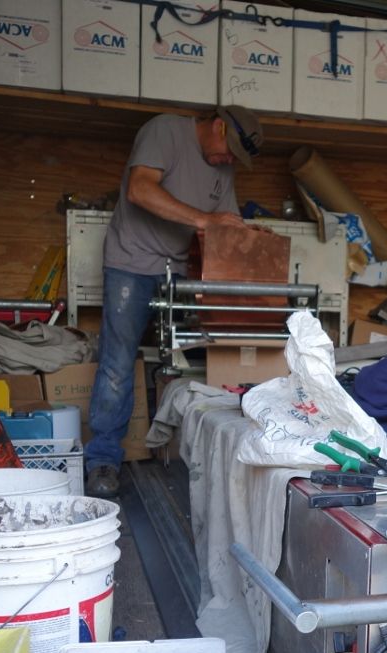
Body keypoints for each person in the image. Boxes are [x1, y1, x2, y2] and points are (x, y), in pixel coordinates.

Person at [84, 106, 265, 498]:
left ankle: (194, 456)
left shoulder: (224, 164)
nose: (228, 160)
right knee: (117, 361)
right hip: (131, 260)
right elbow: (140, 188)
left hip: (181, 266)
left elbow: (226, 220)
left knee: (202, 358)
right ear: (217, 125)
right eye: (228, 150)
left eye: (235, 157)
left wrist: (250, 243)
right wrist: (204, 220)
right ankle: (102, 461)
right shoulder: (165, 130)